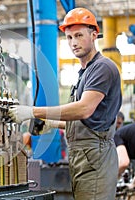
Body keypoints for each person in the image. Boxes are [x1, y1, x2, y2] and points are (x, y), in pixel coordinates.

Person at [9, 7, 122, 200]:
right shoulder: (84, 72)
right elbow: (88, 122)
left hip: (95, 156)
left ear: (94, 35)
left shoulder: (102, 67)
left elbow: (84, 109)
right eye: (69, 38)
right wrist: (52, 123)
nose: (74, 43)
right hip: (84, 156)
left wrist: (33, 111)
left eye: (79, 35)